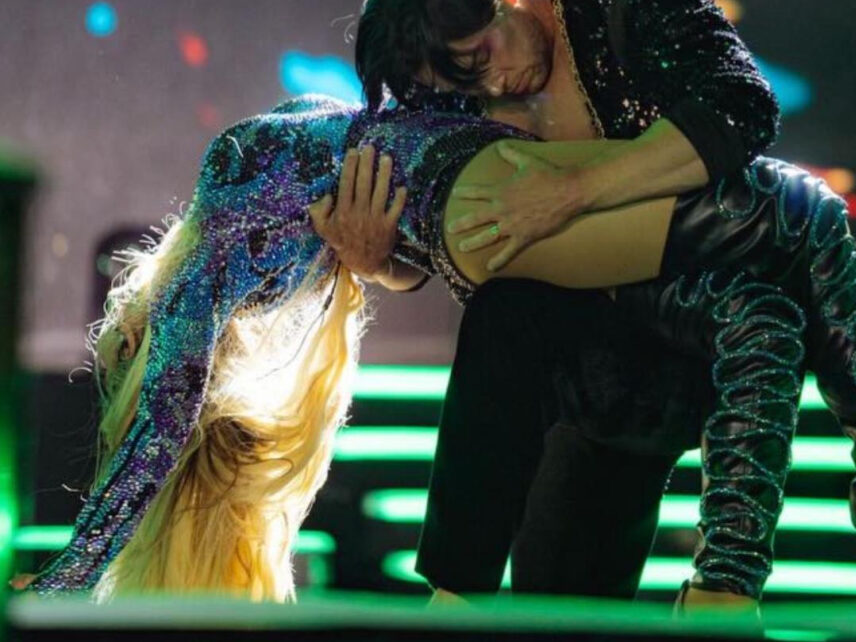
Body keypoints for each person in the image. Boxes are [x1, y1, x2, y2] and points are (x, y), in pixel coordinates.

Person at [351, 0, 856, 603]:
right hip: (571, 367)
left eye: (481, 57)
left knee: (788, 236)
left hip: (678, 349)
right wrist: (378, 261)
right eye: (457, 82)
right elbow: (436, 249)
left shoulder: (631, 2)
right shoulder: (455, 98)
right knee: (771, 298)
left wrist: (574, 191)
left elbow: (743, 109)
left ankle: (762, 562)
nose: (488, 85)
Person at [24, 94, 807, 600]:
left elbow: (154, 445)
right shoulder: (261, 283)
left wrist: (62, 584)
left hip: (494, 188)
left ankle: (777, 545)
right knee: (759, 264)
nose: (147, 359)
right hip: (487, 199)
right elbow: (379, 203)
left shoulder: (206, 270)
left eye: (139, 358)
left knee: (774, 231)